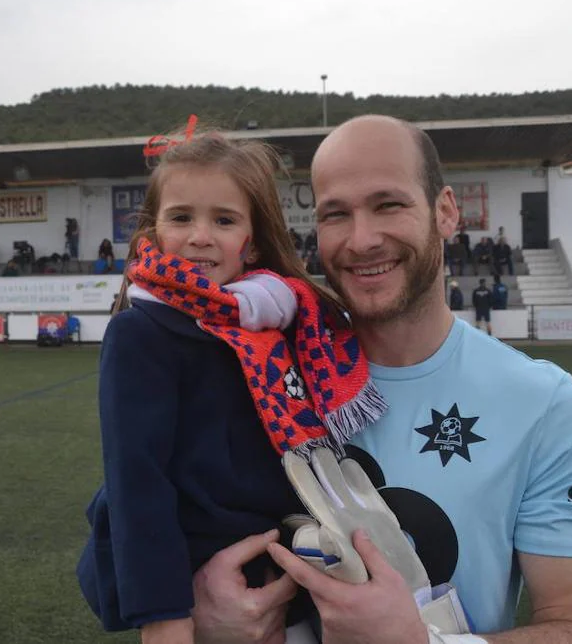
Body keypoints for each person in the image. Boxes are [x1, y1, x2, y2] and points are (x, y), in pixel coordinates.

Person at [192, 115, 572, 643]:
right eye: (336, 214)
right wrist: (202, 620)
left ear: (445, 211)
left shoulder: (545, 404)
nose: (362, 239)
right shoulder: (260, 376)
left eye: (388, 204)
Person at [76, 131, 378, 644]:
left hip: (279, 560)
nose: (200, 236)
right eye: (181, 217)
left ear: (253, 239)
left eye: (224, 219)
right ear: (154, 230)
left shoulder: (281, 319)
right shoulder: (141, 331)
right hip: (194, 576)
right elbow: (136, 482)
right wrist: (165, 618)